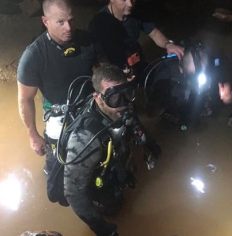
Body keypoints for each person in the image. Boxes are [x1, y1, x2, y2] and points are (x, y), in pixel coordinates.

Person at [62, 64, 161, 236]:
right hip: (102, 189)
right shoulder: (85, 140)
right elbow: (74, 193)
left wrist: (149, 143)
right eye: (114, 98)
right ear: (98, 98)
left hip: (118, 164)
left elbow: (133, 121)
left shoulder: (122, 106)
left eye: (127, 94)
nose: (122, 104)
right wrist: (102, 229)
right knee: (115, 209)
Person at [17, 0, 106, 174]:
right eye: (61, 22)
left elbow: (105, 72)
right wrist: (33, 135)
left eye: (72, 20)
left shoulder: (88, 40)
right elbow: (25, 99)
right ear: (45, 21)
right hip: (59, 115)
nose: (69, 28)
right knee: (56, 176)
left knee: (102, 159)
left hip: (90, 108)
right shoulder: (33, 56)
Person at [88, 0, 184, 83]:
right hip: (113, 72)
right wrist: (114, 75)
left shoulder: (136, 13)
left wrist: (168, 44)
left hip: (136, 63)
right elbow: (97, 58)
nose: (130, 4)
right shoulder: (99, 24)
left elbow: (154, 33)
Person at [144, 42, 232, 129]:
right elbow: (151, 113)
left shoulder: (213, 66)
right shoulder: (165, 82)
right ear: (180, 69)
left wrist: (226, 89)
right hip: (177, 107)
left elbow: (222, 66)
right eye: (192, 76)